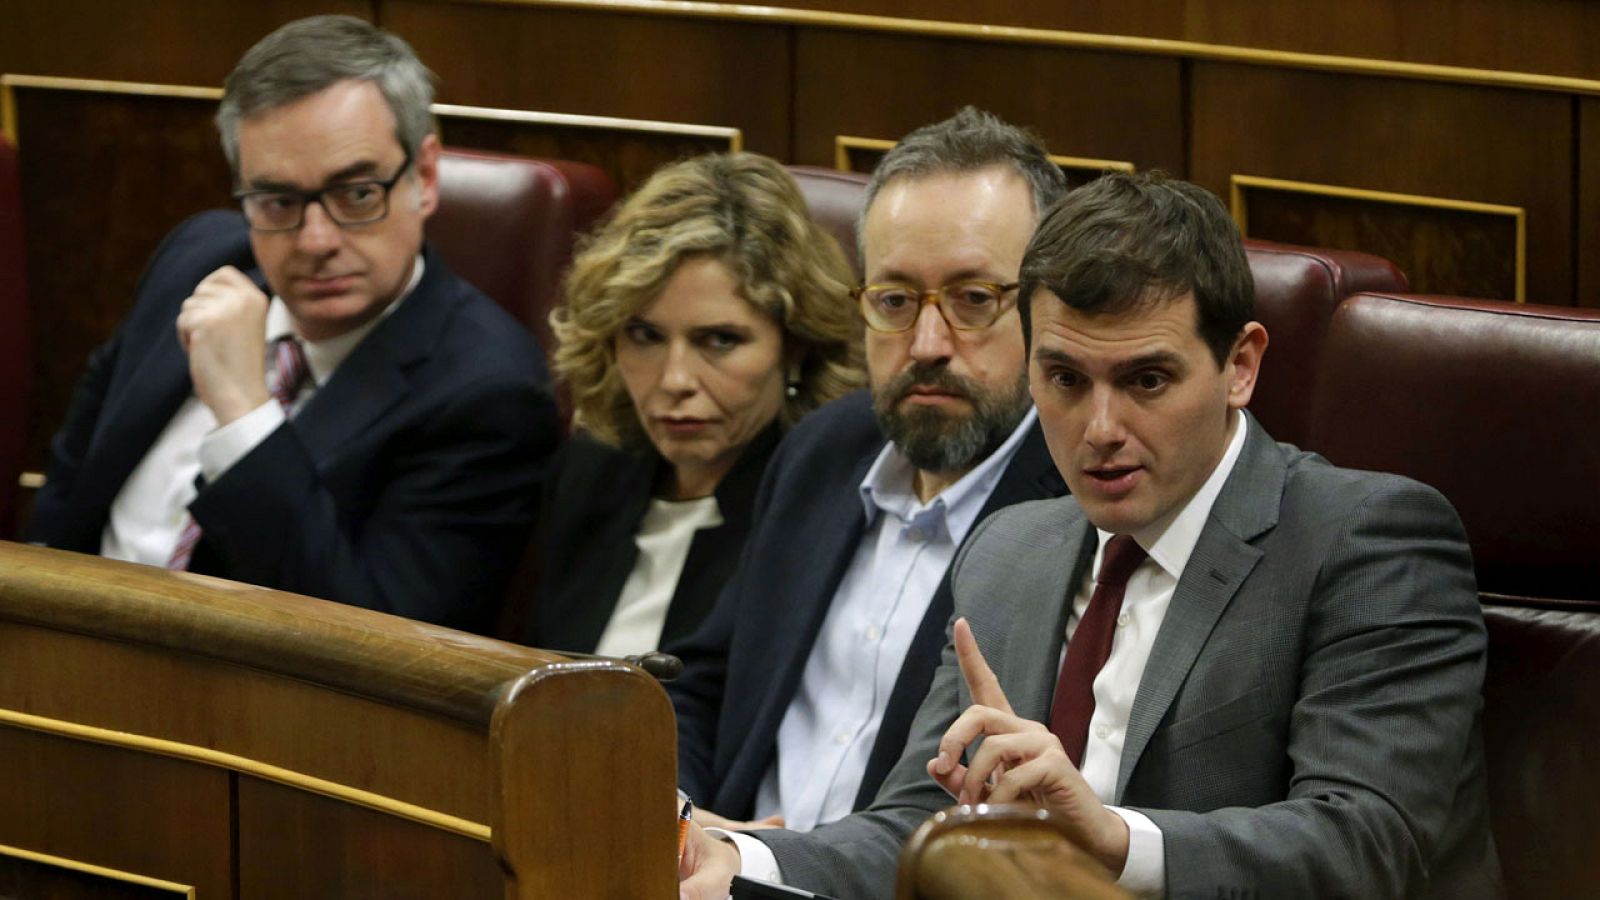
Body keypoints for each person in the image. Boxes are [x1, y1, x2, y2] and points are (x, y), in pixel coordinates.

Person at [679, 172, 1502, 898]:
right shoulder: (1010, 551)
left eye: (1146, 379)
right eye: (1065, 380)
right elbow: (917, 828)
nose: (1099, 428)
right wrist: (742, 859)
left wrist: (1107, 838)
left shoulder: (1364, 539)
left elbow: (1366, 845)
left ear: (1241, 366)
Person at [26, 16, 558, 634]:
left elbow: (376, 646)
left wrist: (245, 417)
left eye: (356, 194)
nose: (316, 240)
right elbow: (71, 486)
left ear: (426, 176)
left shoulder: (488, 393)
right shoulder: (197, 260)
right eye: (278, 201)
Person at [668, 107, 1069, 833]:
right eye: (893, 300)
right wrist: (682, 819)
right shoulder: (826, 449)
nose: (925, 343)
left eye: (974, 300)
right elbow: (705, 683)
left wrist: (768, 864)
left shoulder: (1076, 511)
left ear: (1047, 307)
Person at [521, 152, 863, 656]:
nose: (674, 380)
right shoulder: (590, 471)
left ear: (795, 347)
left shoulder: (819, 517)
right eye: (645, 335)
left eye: (720, 340)